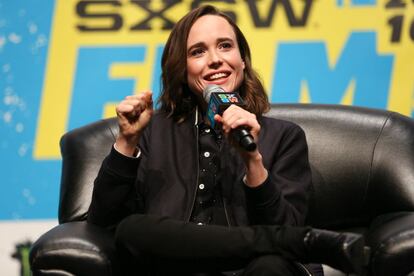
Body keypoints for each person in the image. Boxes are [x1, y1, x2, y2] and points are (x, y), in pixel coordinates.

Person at [87, 5, 367, 276]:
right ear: (182, 70)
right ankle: (309, 241)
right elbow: (102, 224)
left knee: (272, 266)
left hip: (251, 271)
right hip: (173, 267)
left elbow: (284, 225)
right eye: (198, 52)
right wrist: (127, 141)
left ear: (242, 60)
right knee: (132, 229)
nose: (215, 60)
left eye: (225, 46)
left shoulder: (284, 136)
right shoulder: (152, 133)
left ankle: (285, 244)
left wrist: (253, 160)